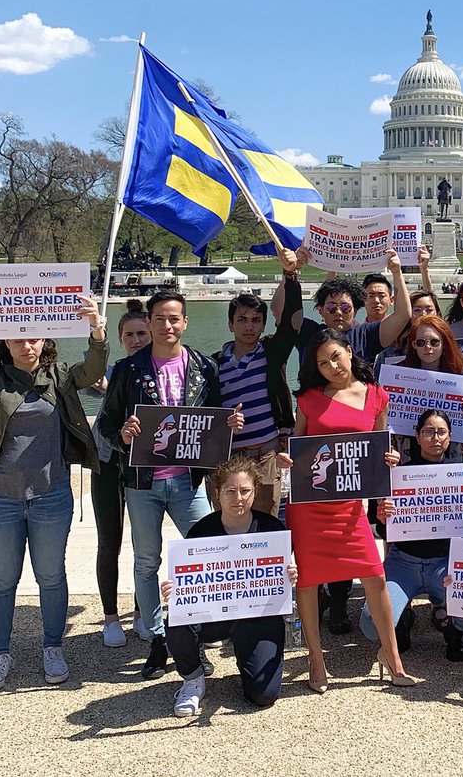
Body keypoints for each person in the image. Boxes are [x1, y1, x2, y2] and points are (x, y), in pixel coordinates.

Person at [0, 295, 108, 692]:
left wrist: (96, 329)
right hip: (0, 499)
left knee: (51, 577)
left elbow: (93, 369)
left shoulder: (60, 377)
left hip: (51, 496)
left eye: (33, 338)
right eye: (18, 339)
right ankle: (0, 654)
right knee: (2, 580)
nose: (27, 345)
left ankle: (53, 648)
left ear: (45, 340)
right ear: (5, 341)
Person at [98, 290, 246, 680]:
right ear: (149, 322)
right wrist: (124, 436)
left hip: (188, 480)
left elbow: (214, 420)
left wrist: (229, 425)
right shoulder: (128, 369)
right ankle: (157, 639)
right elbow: (106, 424)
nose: (167, 325)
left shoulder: (203, 367)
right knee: (147, 562)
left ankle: (196, 633)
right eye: (160, 318)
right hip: (142, 482)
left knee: (207, 554)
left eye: (174, 318)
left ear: (185, 322)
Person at [286, 328, 417, 691]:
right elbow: (297, 446)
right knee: (309, 582)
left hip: (349, 507)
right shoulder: (309, 399)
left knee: (374, 576)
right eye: (322, 363)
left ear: (348, 350)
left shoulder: (377, 395)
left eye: (335, 356)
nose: (331, 366)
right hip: (310, 507)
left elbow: (379, 450)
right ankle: (316, 659)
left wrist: (390, 458)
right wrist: (286, 460)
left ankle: (392, 657)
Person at [163, 455, 297, 717]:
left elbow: (280, 576)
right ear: (217, 493)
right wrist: (174, 589)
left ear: (255, 492)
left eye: (245, 491)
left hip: (258, 615)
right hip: (215, 615)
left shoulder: (272, 529)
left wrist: (290, 575)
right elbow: (187, 580)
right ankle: (193, 677)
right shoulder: (201, 532)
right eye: (230, 491)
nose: (239, 498)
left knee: (264, 695)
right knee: (176, 618)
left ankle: (249, 660)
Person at [363, 409, 463, 661]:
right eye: (428, 432)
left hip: (443, 563)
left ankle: (454, 631)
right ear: (417, 436)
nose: (435, 438)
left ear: (450, 437)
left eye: (441, 432)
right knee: (370, 624)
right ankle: (402, 621)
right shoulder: (399, 476)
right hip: (404, 562)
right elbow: (384, 532)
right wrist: (383, 519)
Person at [215, 249, 302, 516]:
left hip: (266, 454)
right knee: (230, 520)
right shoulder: (214, 364)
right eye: (242, 320)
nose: (249, 326)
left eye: (256, 320)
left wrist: (290, 277)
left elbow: (293, 321)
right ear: (230, 324)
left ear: (264, 325)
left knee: (265, 521)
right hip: (230, 456)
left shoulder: (272, 352)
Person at [86, 300, 151, 647]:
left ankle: (142, 612)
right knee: (109, 541)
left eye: (142, 333)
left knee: (145, 544)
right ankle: (111, 617)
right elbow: (83, 380)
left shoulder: (161, 371)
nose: (136, 340)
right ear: (121, 338)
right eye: (129, 335)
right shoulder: (111, 371)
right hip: (109, 462)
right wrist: (95, 334)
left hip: (145, 467)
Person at [278, 247, 413, 364]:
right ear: (321, 310)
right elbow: (279, 312)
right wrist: (290, 272)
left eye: (345, 307)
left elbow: (402, 315)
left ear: (355, 311)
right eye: (331, 308)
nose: (338, 312)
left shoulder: (366, 335)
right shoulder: (308, 333)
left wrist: (396, 272)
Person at [392, 314, 463, 464]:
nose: (428, 347)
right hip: (407, 447)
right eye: (421, 342)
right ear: (413, 345)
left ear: (444, 343)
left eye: (434, 342)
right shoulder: (397, 374)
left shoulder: (462, 375)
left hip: (448, 449)